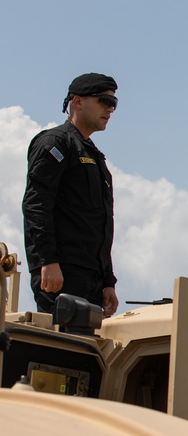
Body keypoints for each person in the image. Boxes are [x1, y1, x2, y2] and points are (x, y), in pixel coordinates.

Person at [22, 73, 120, 317]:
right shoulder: (55, 143)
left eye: (113, 104)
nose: (110, 109)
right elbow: (36, 205)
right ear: (77, 102)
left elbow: (100, 223)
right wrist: (47, 261)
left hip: (92, 279)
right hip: (62, 274)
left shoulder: (96, 158)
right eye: (103, 101)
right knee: (63, 351)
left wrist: (108, 280)